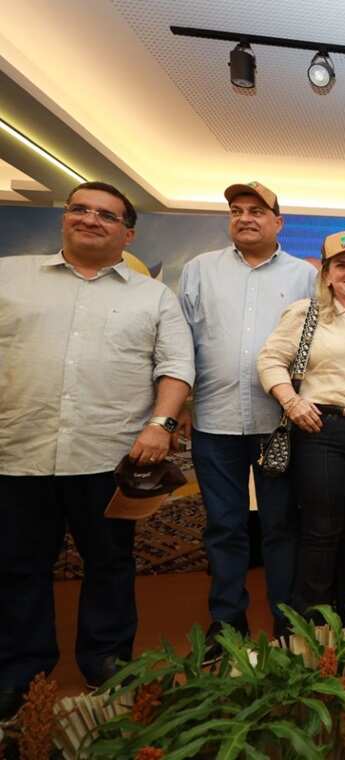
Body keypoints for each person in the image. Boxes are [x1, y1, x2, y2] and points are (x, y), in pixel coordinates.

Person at [0, 181, 194, 717]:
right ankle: (20, 671)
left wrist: (161, 423)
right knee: (18, 566)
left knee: (110, 564)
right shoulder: (10, 276)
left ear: (126, 233)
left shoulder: (152, 295)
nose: (91, 220)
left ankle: (107, 660)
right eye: (80, 210)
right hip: (18, 449)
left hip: (110, 455)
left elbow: (176, 365)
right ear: (64, 219)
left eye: (106, 216)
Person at [178, 181, 317, 643]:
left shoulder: (305, 276)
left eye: (258, 210)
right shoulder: (199, 270)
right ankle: (227, 621)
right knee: (224, 526)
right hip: (214, 421)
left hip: (279, 423)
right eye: (236, 210)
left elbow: (316, 348)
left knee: (281, 525)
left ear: (279, 222)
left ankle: (285, 621)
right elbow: (181, 344)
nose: (245, 217)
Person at [258, 232, 345, 619]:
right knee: (321, 530)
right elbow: (270, 360)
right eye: (342, 265)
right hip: (322, 431)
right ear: (326, 274)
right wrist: (292, 400)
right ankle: (315, 625)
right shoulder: (306, 314)